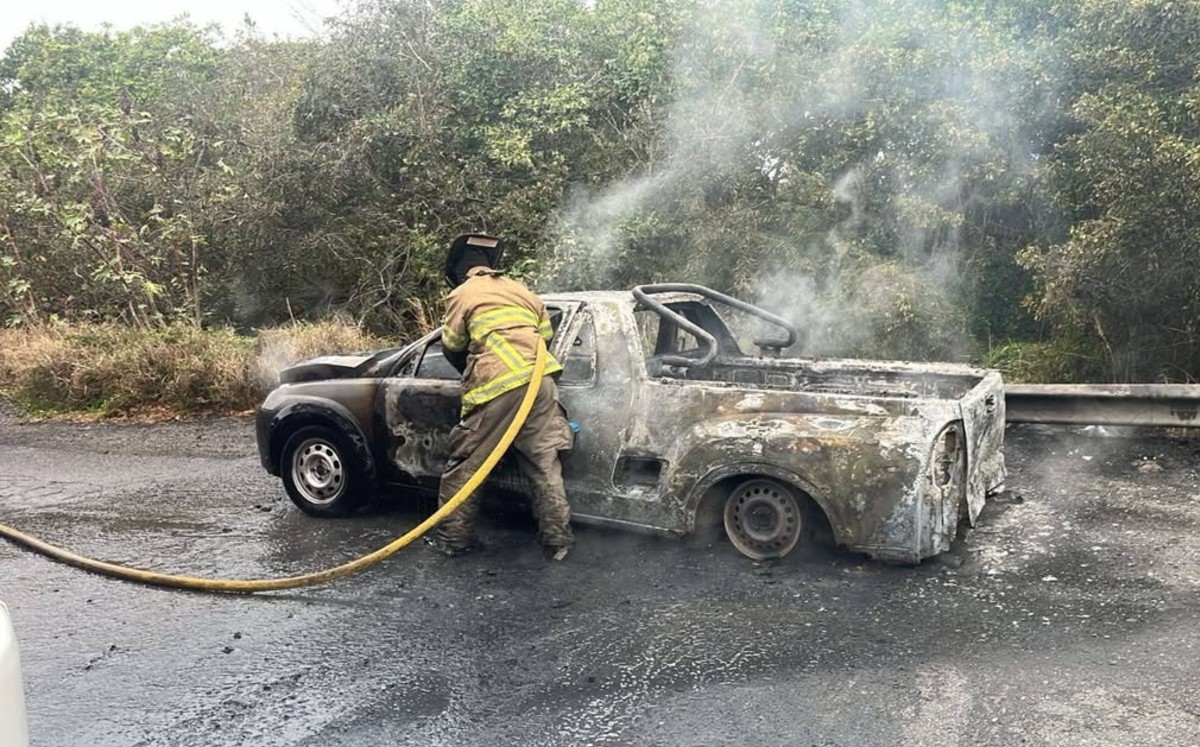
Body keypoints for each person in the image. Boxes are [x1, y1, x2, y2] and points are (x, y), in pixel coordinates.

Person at [429, 233, 575, 560]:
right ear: (491, 265)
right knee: (543, 463)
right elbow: (544, 337)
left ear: (459, 270)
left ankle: (454, 541)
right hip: (541, 382)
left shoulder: (462, 294)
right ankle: (558, 542)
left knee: (467, 465)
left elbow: (452, 346)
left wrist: (476, 370)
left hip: (497, 386)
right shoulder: (523, 291)